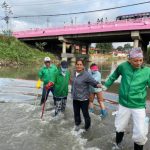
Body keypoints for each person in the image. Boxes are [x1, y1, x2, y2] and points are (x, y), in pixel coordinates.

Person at [102, 48, 150, 150]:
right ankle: (117, 146)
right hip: (123, 104)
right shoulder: (123, 66)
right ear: (130, 60)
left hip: (138, 105)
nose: (138, 63)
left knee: (141, 133)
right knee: (120, 127)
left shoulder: (147, 71)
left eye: (140, 60)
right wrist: (106, 85)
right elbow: (113, 76)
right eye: (135, 60)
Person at [71, 59, 102, 131]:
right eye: (77, 64)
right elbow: (72, 83)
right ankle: (77, 126)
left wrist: (98, 84)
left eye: (80, 64)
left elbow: (93, 82)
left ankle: (87, 129)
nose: (79, 66)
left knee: (85, 114)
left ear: (83, 66)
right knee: (76, 114)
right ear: (75, 65)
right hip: (75, 98)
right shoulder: (73, 73)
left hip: (84, 99)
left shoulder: (86, 74)